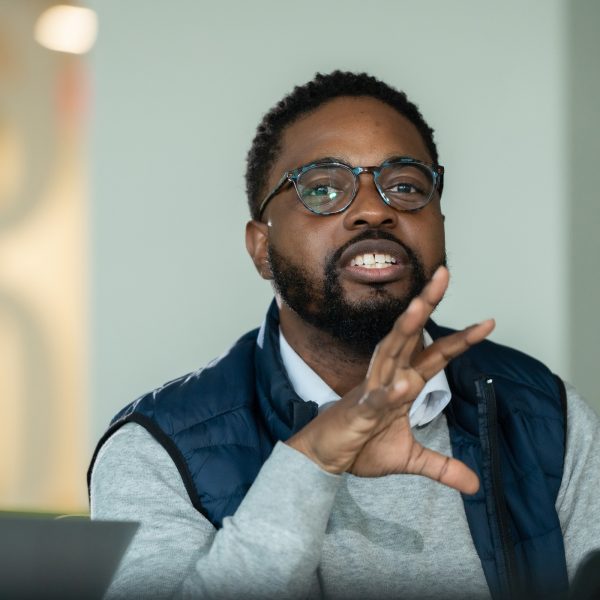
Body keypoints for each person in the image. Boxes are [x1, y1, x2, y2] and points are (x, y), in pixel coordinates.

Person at [89, 71, 600, 600]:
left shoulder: (544, 414)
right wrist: (312, 461)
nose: (375, 209)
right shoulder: (156, 451)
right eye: (324, 188)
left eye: (405, 185)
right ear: (262, 247)